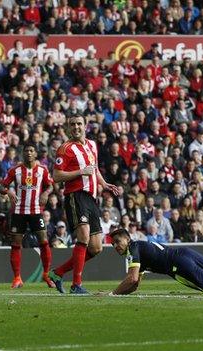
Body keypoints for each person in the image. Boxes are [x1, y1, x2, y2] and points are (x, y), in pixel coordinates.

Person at [47, 115, 119, 294]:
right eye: (73, 124)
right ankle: (76, 285)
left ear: (85, 126)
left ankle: (58, 273)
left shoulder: (92, 145)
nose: (76, 127)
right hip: (76, 196)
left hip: (92, 198)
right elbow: (56, 176)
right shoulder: (65, 149)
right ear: (68, 127)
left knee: (96, 248)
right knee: (84, 238)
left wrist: (104, 183)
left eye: (79, 124)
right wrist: (80, 172)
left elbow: (93, 169)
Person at [0, 143, 55, 289]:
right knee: (16, 244)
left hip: (36, 211)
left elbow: (50, 185)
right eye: (26, 151)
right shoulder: (15, 170)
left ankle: (46, 274)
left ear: (35, 154)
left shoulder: (42, 170)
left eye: (31, 150)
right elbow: (1, 187)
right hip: (19, 212)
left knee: (44, 241)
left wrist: (45, 193)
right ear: (23, 154)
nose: (29, 153)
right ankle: (17, 278)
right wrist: (9, 192)